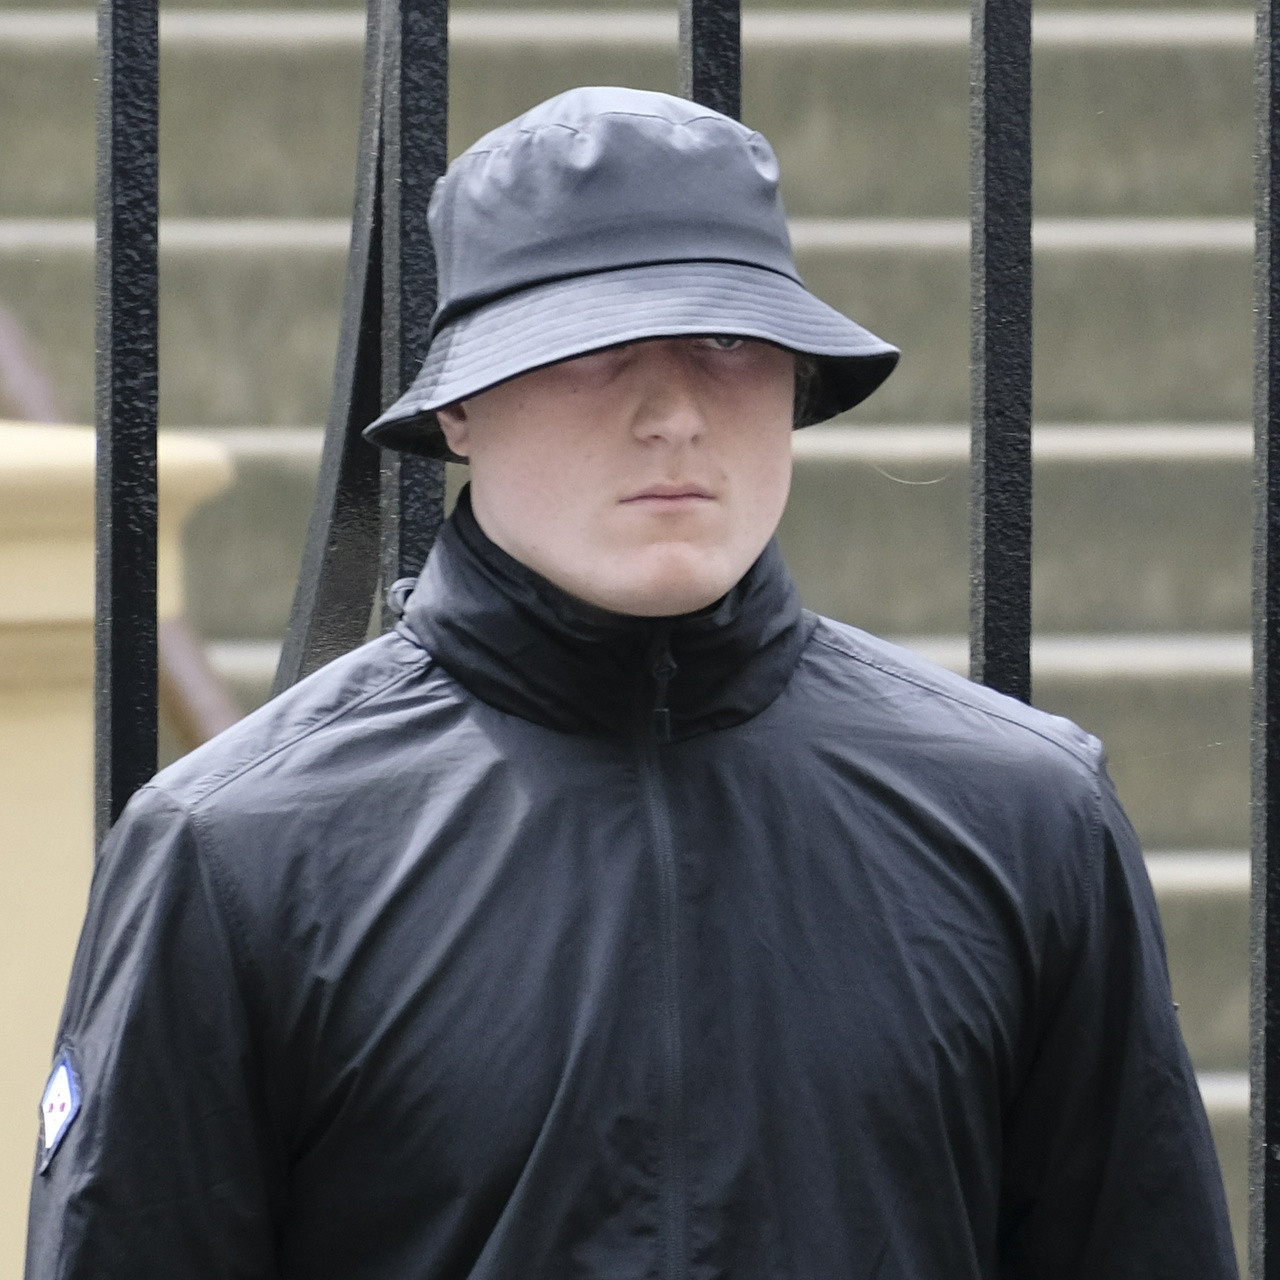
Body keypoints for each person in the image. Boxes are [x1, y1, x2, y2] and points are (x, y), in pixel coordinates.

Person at [26, 86, 1236, 1279]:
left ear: (794, 378)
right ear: (456, 407)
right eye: (590, 350)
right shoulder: (234, 850)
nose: (670, 414)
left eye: (723, 341)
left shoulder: (1026, 813)